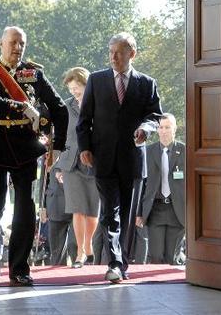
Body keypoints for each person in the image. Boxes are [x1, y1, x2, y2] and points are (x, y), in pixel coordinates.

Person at [0, 26, 68, 286]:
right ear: (0, 43)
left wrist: (57, 146)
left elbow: (60, 108)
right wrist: (24, 106)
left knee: (26, 209)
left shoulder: (33, 72)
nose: (17, 48)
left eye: (22, 43)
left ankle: (19, 268)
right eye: (13, 42)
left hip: (25, 146)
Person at [76, 32, 162, 282]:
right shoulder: (96, 80)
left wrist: (146, 129)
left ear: (132, 54)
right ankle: (113, 263)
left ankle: (122, 263)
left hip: (132, 159)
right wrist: (84, 148)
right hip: (102, 158)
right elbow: (84, 121)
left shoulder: (147, 83)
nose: (113, 57)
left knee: (126, 214)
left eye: (119, 52)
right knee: (109, 213)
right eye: (111, 51)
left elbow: (155, 116)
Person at [58, 67, 100, 268]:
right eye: (71, 88)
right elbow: (60, 137)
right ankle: (80, 253)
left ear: (86, 85)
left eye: (77, 87)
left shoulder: (99, 105)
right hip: (71, 164)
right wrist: (58, 166)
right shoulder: (65, 107)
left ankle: (88, 243)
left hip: (94, 163)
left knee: (92, 211)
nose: (74, 91)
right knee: (77, 209)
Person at [136, 113, 185, 264]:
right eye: (161, 127)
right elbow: (141, 185)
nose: (164, 131)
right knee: (155, 255)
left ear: (174, 129)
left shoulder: (185, 151)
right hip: (155, 210)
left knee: (172, 258)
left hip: (177, 210)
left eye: (168, 127)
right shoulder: (147, 152)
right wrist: (139, 213)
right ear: (157, 130)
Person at [43, 164, 77, 265]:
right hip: (55, 203)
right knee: (57, 252)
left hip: (78, 203)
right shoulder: (51, 153)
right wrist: (43, 206)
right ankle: (58, 278)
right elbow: (44, 181)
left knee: (74, 246)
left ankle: (80, 275)